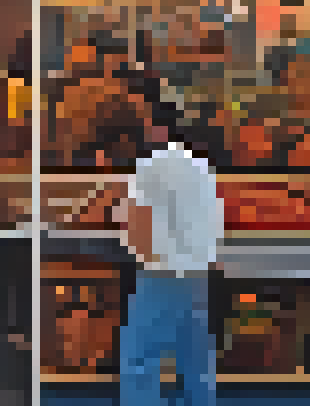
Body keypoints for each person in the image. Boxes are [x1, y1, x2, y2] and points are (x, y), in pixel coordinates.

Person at [119, 104, 223, 406]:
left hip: (161, 270)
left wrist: (139, 254)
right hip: (197, 272)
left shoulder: (150, 166)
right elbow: (213, 218)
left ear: (158, 128)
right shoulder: (200, 166)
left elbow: (137, 222)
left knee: (142, 358)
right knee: (195, 361)